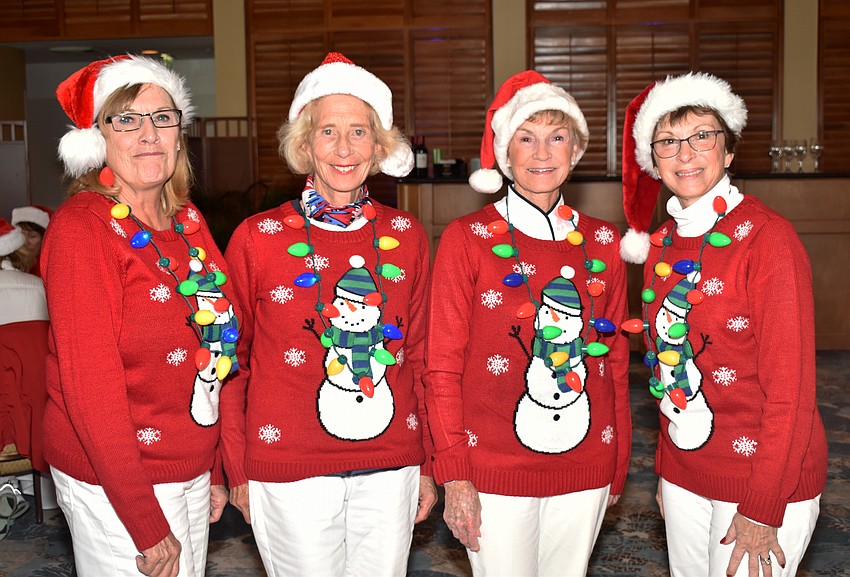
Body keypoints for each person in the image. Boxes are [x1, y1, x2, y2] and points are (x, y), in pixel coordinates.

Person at [222, 52, 436, 576]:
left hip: (391, 461)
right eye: (328, 132)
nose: (344, 149)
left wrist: (428, 463)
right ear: (304, 143)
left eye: (359, 132)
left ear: (380, 146)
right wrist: (236, 467)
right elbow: (231, 359)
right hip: (287, 465)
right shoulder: (256, 238)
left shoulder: (406, 235)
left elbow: (423, 353)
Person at [619, 72, 827, 577]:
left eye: (702, 136)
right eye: (668, 141)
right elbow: (667, 369)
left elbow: (792, 391)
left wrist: (763, 504)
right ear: (653, 160)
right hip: (688, 471)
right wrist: (668, 474)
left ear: (728, 151)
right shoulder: (662, 245)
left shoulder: (767, 241)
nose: (685, 152)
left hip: (764, 478)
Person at [424, 70, 631, 576]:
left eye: (557, 138)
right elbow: (441, 366)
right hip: (490, 467)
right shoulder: (466, 238)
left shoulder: (605, 243)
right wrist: (453, 473)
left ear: (576, 151)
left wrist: (618, 463)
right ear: (504, 153)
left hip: (586, 461)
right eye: (527, 138)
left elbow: (617, 366)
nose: (542, 153)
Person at [42, 55, 240, 577]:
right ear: (98, 139)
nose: (148, 133)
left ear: (179, 134)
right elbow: (90, 390)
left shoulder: (189, 224)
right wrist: (144, 521)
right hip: (120, 478)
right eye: (126, 120)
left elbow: (219, 348)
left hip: (190, 463)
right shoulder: (83, 230)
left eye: (162, 117)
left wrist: (213, 464)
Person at [11, 205, 52, 278]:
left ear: (44, 239)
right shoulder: (7, 263)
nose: (26, 242)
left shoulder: (51, 267)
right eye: (22, 235)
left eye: (32, 236)